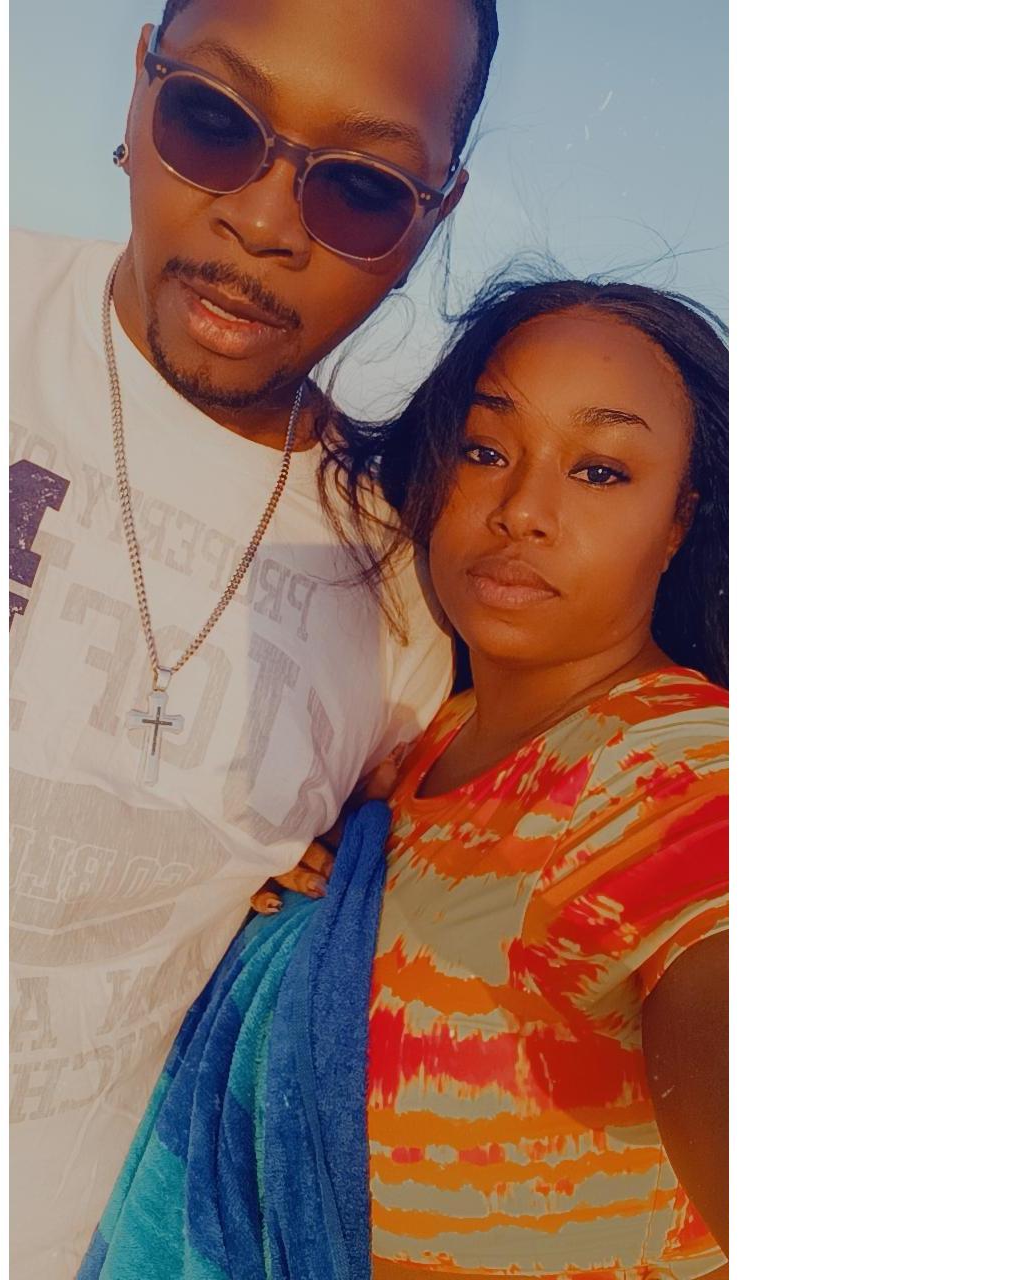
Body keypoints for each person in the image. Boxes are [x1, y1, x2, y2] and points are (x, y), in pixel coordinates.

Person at [83, 273, 730, 1279]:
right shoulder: (425, 740)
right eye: (484, 450)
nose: (522, 510)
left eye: (601, 471)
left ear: (679, 520)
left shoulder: (680, 779)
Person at [9, 0, 500, 1274]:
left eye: (359, 189)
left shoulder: (401, 599)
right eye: (214, 122)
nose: (266, 221)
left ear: (432, 216)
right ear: (139, 88)